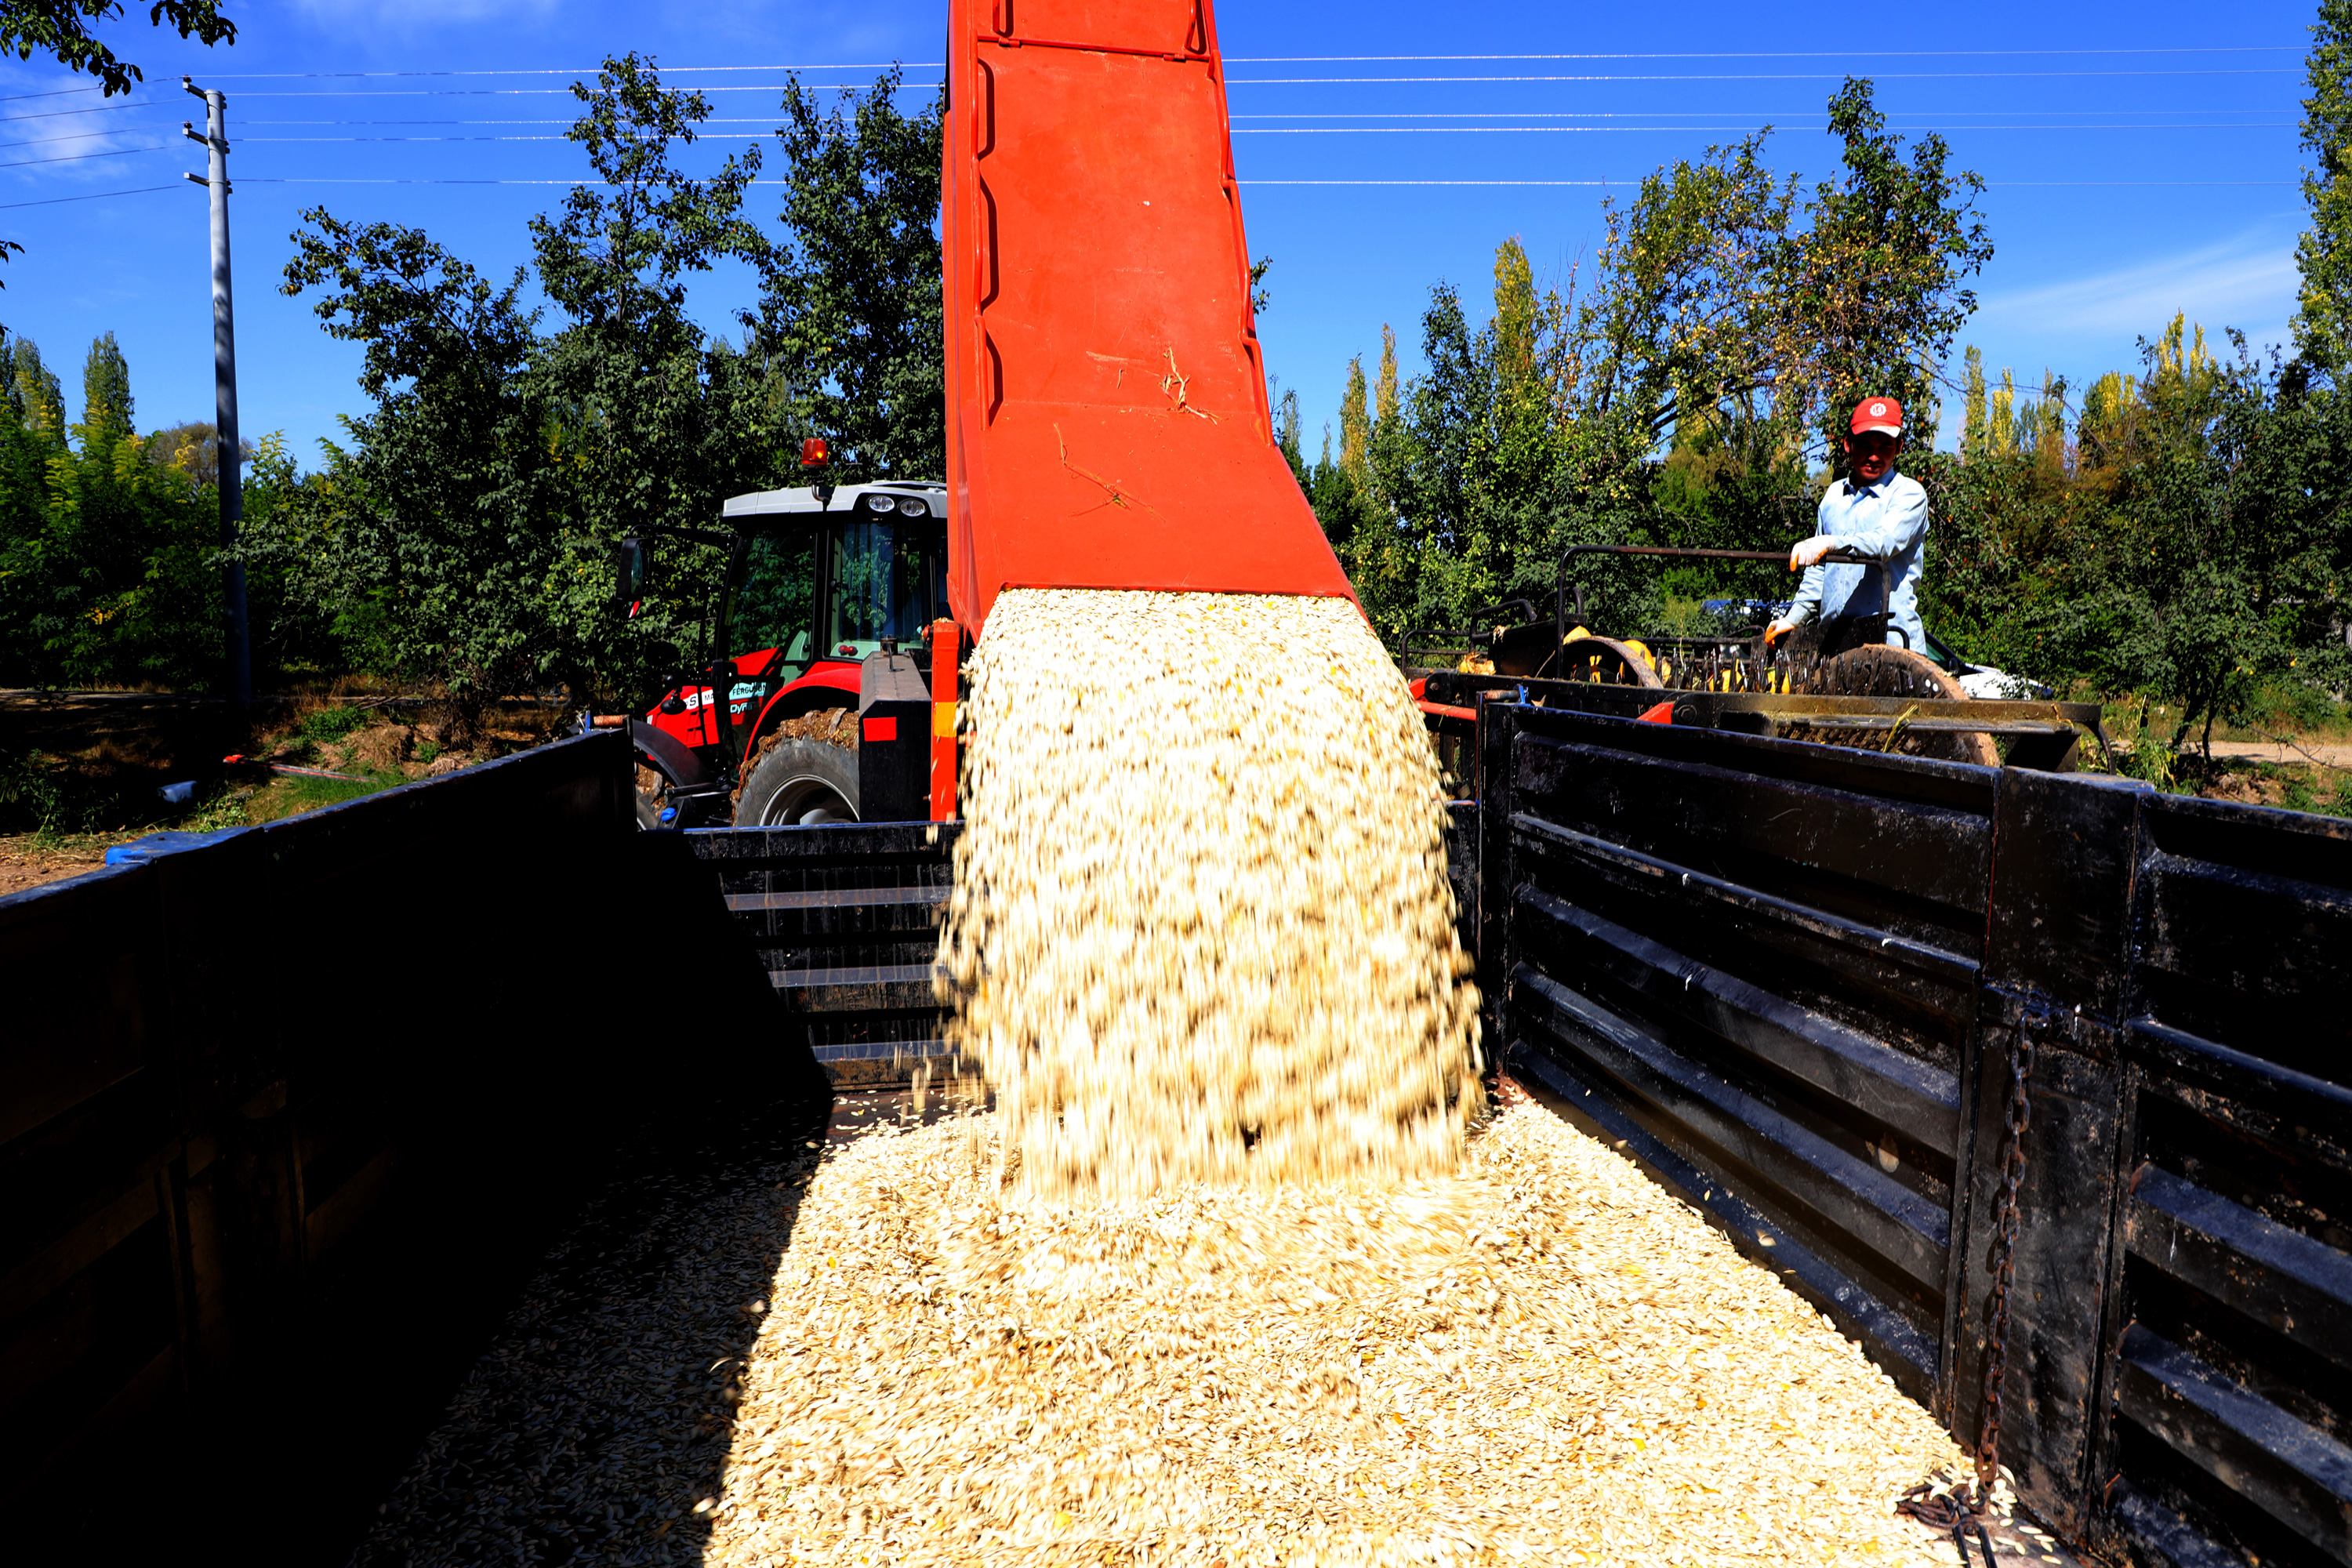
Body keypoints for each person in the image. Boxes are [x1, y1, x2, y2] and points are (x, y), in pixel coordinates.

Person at [1765, 397, 1929, 655]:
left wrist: (1832, 543)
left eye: (1885, 446)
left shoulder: (1909, 494)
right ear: (1848, 445)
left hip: (1891, 647)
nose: (1874, 456)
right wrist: (1793, 619)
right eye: (1865, 445)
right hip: (1835, 645)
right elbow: (1819, 573)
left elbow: (1883, 543)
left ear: (1899, 447)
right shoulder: (1833, 497)